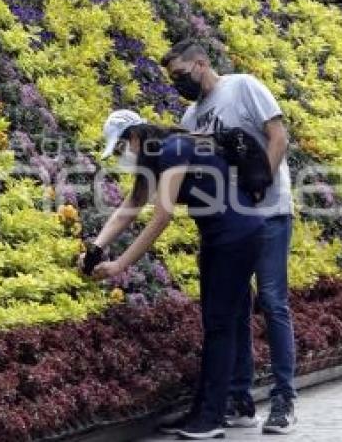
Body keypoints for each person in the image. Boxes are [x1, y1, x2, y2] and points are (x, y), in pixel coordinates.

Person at [80, 109, 265, 440]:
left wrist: (120, 265)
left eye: (122, 147)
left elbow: (162, 216)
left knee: (219, 326)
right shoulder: (159, 156)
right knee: (228, 322)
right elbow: (130, 207)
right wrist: (95, 249)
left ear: (136, 137)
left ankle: (211, 418)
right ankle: (218, 408)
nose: (124, 155)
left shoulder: (173, 150)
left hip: (234, 237)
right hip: (227, 236)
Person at [161, 39, 297, 434]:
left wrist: (260, 181)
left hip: (268, 210)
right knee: (235, 308)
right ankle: (240, 397)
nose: (178, 84)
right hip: (232, 222)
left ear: (201, 63)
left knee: (272, 302)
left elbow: (278, 137)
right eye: (172, 79)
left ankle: (284, 400)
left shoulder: (243, 87)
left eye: (181, 75)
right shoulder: (191, 116)